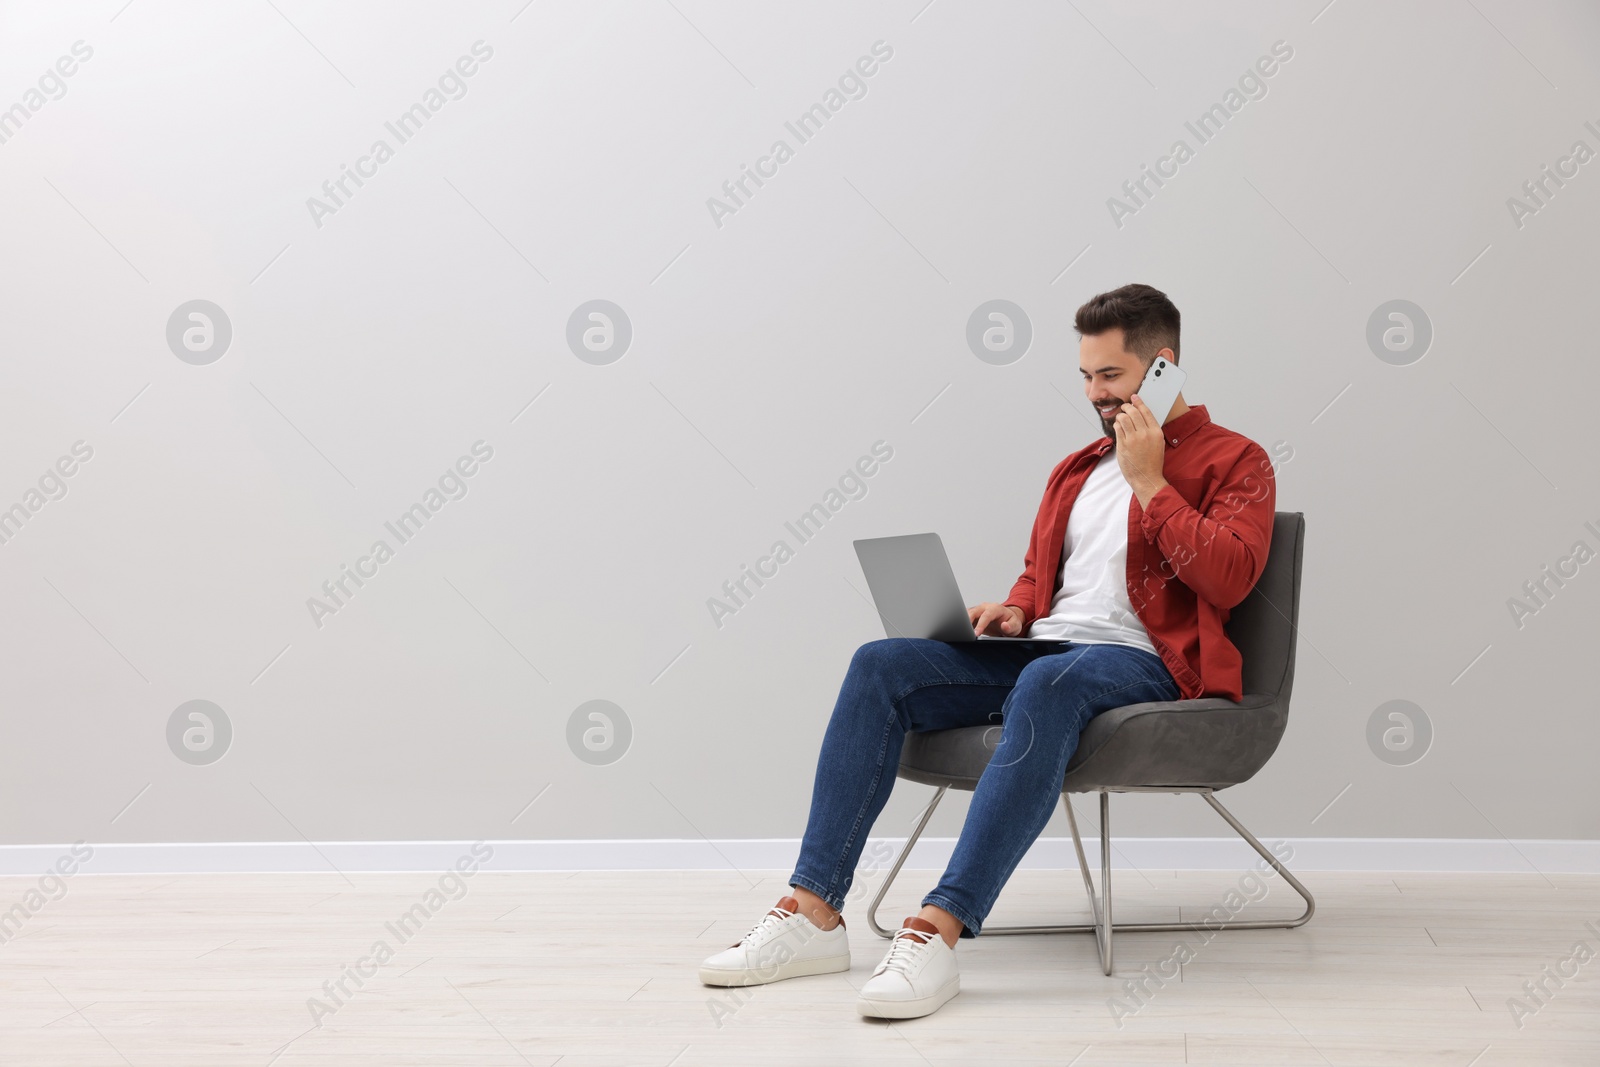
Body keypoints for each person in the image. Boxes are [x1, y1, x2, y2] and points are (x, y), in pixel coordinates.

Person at [699, 283, 1278, 1019]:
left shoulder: (1238, 459)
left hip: (1148, 665)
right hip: (1049, 651)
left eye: (1111, 376)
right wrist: (1015, 609)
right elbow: (1041, 578)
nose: (1096, 394)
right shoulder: (1076, 469)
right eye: (1087, 377)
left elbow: (1229, 576)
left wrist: (1151, 480)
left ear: (1162, 366)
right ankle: (812, 911)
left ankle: (938, 929)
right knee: (882, 663)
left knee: (1049, 679)